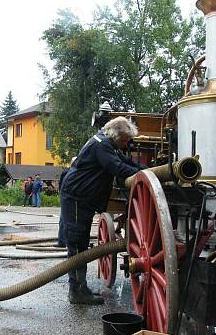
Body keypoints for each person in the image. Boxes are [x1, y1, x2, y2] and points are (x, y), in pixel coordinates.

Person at [60, 117, 143, 305]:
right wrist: (146, 175)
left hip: (83, 199)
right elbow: (117, 167)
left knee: (80, 243)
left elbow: (127, 163)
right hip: (76, 197)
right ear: (116, 135)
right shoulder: (102, 145)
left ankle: (81, 288)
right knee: (76, 243)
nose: (126, 144)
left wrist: (151, 171)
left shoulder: (108, 145)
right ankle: (76, 291)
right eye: (124, 140)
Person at [56, 157, 77, 248]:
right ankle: (62, 242)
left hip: (70, 198)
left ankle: (63, 242)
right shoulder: (67, 173)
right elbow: (61, 186)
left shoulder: (68, 172)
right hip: (68, 198)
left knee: (65, 220)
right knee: (64, 221)